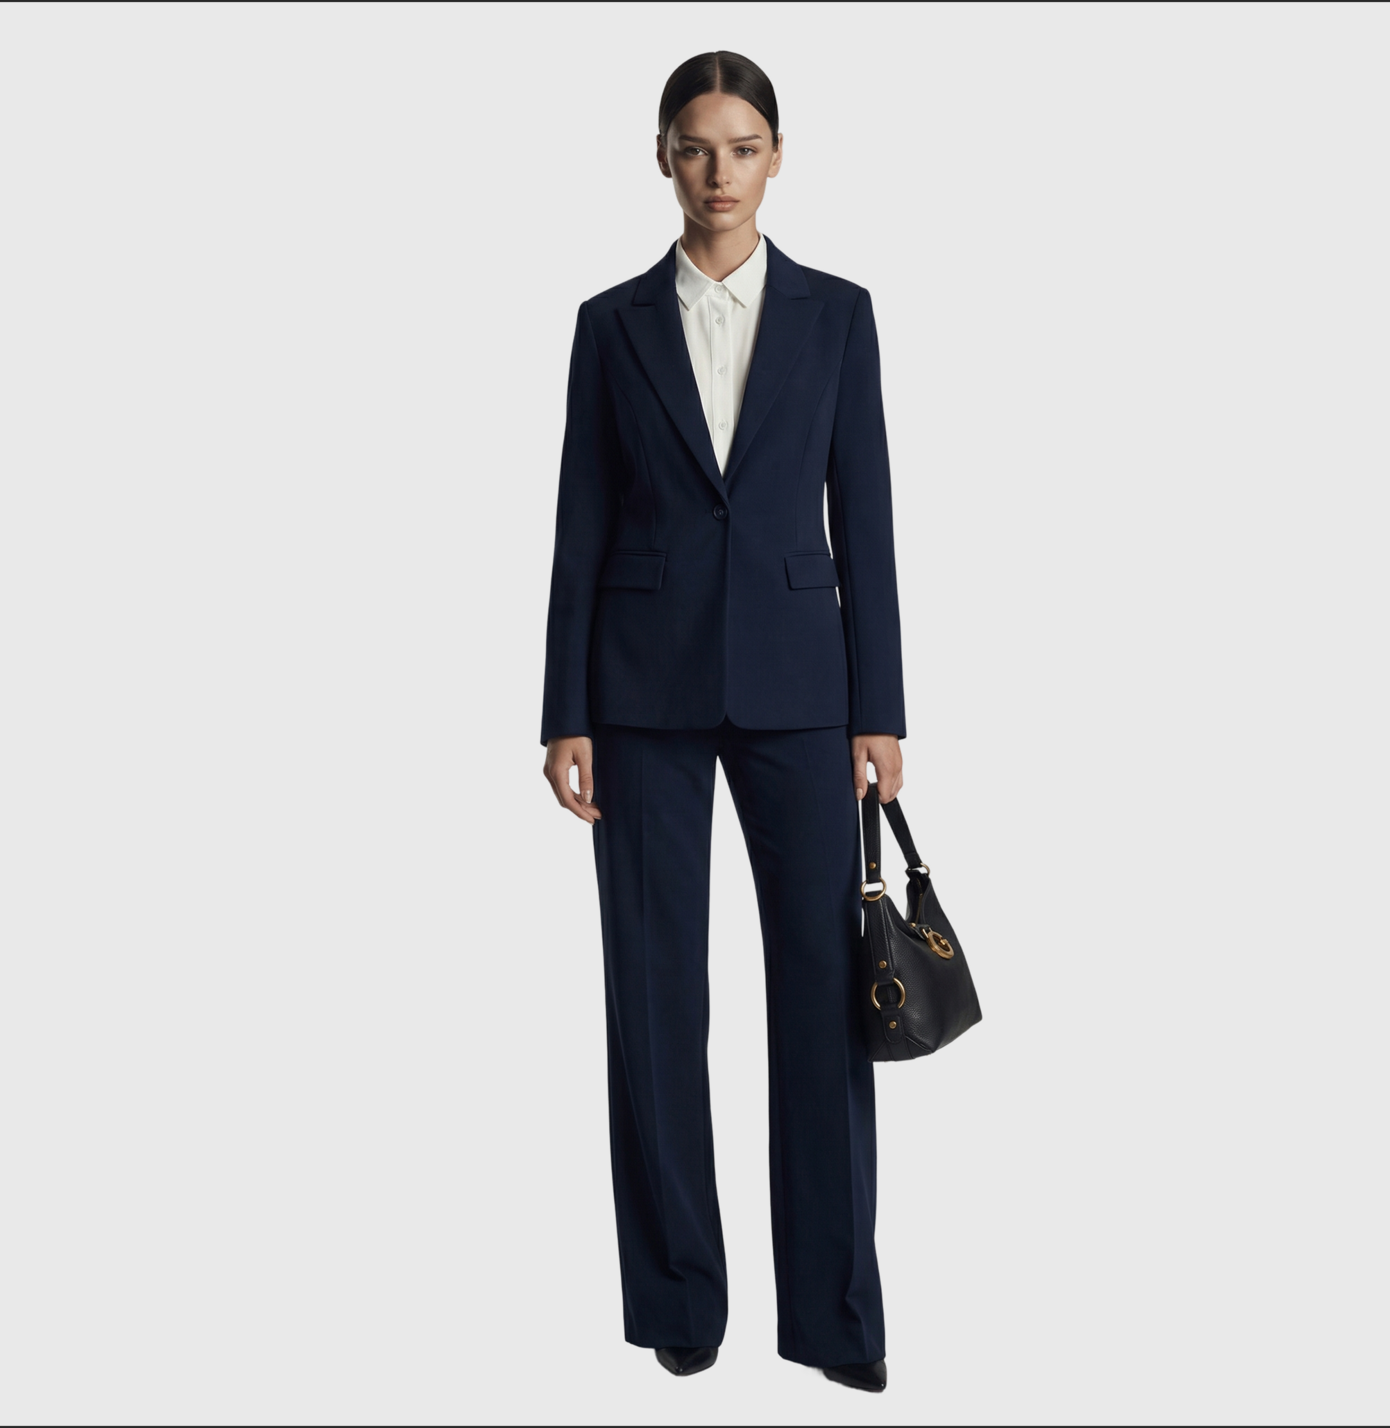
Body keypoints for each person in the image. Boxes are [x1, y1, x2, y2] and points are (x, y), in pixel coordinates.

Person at [538, 50, 905, 1395]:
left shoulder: (839, 315)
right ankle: (678, 1296)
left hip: (807, 697)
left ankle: (835, 1317)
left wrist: (881, 708)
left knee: (824, 1002)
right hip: (639, 694)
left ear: (777, 156)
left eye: (742, 147)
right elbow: (580, 522)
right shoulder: (611, 325)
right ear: (662, 156)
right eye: (695, 147)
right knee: (653, 1000)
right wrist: (565, 708)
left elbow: (866, 517)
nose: (718, 173)